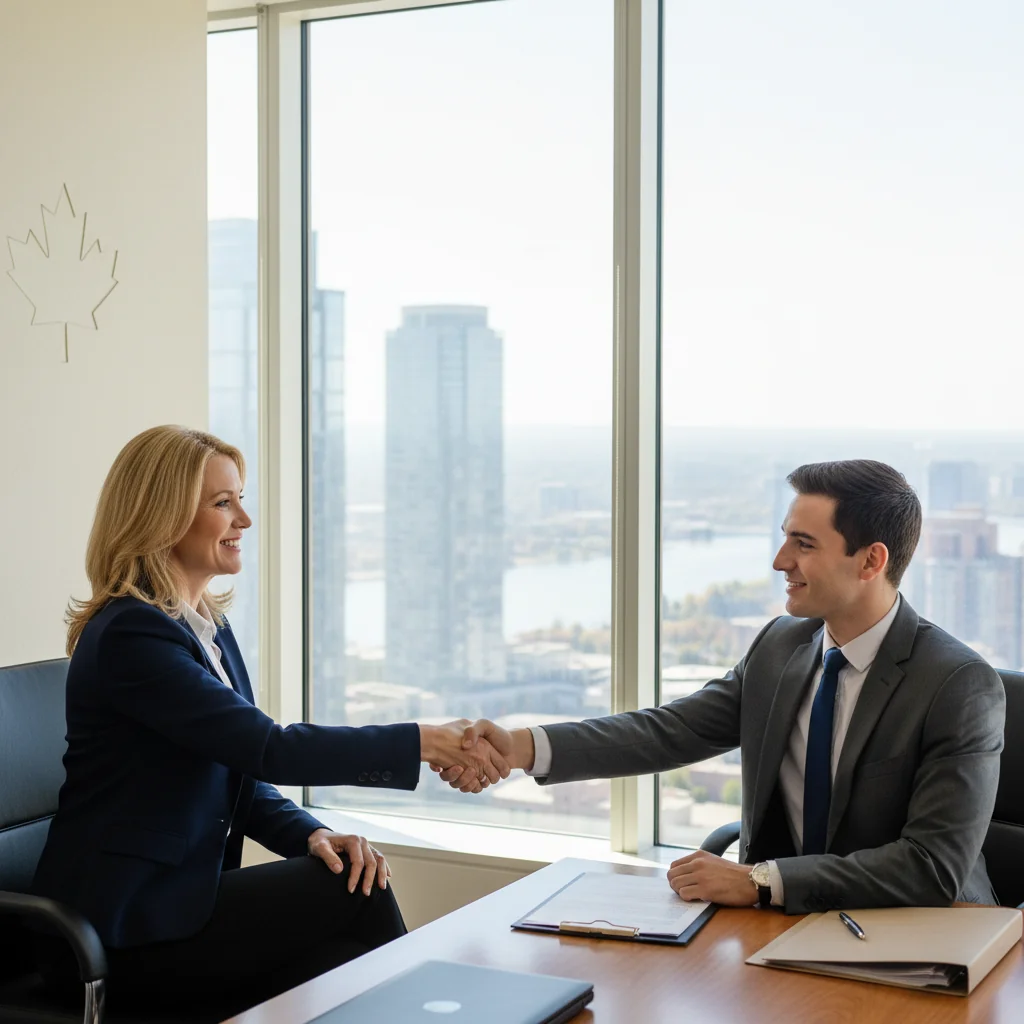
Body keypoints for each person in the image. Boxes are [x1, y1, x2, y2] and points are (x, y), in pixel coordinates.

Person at [31, 425, 508, 1019]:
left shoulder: (204, 628)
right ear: (163, 516)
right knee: (350, 891)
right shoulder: (132, 635)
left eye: (241, 499)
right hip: (122, 930)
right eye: (223, 503)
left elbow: (240, 773)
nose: (245, 521)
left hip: (176, 909)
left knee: (344, 921)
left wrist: (309, 834)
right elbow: (270, 748)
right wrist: (425, 740)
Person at [437, 460, 1006, 913]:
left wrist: (760, 881)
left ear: (870, 561)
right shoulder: (781, 647)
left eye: (804, 544)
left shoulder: (957, 685)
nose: (780, 560)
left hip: (922, 935)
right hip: (785, 931)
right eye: (785, 538)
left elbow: (931, 866)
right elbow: (669, 732)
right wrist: (520, 748)